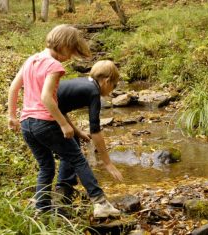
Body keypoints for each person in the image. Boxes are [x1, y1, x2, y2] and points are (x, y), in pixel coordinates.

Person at [8, 24, 122, 218]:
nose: (70, 58)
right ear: (63, 44)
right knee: (77, 158)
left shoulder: (31, 60)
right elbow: (46, 97)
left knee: (46, 166)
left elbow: (14, 87)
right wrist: (62, 124)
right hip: (45, 122)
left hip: (27, 123)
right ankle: (100, 203)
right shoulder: (54, 65)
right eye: (71, 51)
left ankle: (41, 208)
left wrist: (11, 115)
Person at [55, 60, 123, 217]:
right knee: (77, 158)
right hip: (44, 118)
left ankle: (63, 190)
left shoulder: (83, 83)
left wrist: (77, 132)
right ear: (106, 81)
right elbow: (96, 131)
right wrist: (108, 163)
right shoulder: (93, 92)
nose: (113, 90)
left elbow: (61, 109)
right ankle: (98, 203)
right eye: (114, 86)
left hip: (36, 116)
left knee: (72, 144)